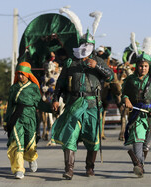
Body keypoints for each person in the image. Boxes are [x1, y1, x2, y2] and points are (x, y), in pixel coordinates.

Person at [51, 30, 114, 180]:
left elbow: (110, 76)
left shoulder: (98, 60)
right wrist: (55, 98)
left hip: (93, 104)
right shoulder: (70, 62)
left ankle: (89, 167)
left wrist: (96, 67)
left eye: (90, 44)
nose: (87, 47)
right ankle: (69, 169)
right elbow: (60, 83)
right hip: (74, 104)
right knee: (70, 134)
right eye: (84, 44)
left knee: (93, 136)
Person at [122, 52, 151, 177]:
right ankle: (138, 166)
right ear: (137, 66)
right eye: (141, 66)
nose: (143, 68)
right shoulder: (130, 80)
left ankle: (140, 165)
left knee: (146, 144)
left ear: (149, 66)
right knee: (137, 139)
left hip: (150, 116)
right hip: (136, 114)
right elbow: (124, 93)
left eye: (145, 66)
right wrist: (126, 100)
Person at [4, 62, 43, 179]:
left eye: (22, 74)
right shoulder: (14, 88)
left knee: (30, 143)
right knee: (17, 143)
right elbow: (10, 105)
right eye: (18, 74)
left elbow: (39, 103)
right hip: (17, 117)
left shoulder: (34, 87)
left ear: (28, 74)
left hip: (30, 117)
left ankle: (31, 158)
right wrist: (6, 121)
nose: (20, 76)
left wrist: (52, 108)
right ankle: (19, 169)